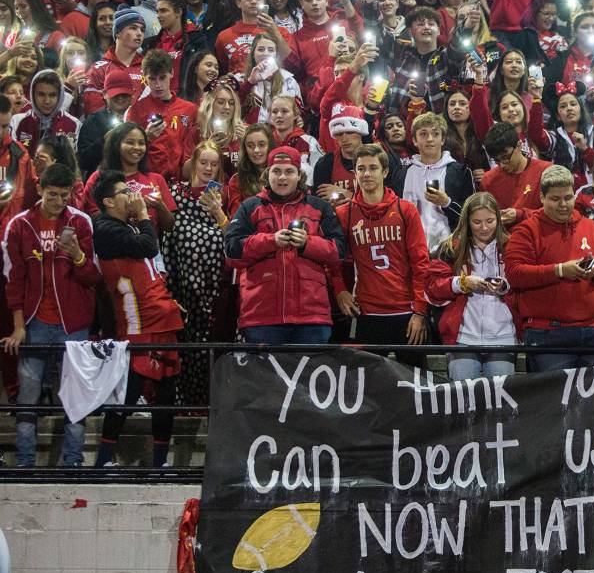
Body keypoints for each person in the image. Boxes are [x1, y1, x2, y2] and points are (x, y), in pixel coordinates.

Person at [2, 163, 100, 468]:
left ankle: (73, 462)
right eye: (53, 195)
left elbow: (93, 277)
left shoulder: (80, 222)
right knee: (28, 396)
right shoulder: (19, 225)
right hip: (35, 324)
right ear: (41, 191)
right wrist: (19, 327)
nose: (59, 201)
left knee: (75, 397)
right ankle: (25, 463)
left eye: (64, 195)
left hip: (73, 325)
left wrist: (77, 255)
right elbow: (14, 280)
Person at [91, 170, 183, 467]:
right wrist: (144, 213)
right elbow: (149, 247)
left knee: (166, 393)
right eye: (124, 192)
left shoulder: (126, 227)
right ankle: (104, 460)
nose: (132, 196)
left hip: (161, 317)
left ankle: (159, 462)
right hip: (138, 323)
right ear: (107, 201)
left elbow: (148, 265)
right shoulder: (105, 227)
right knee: (128, 392)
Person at [224, 146, 346, 344]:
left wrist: (307, 243)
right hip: (261, 317)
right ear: (267, 174)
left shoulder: (319, 207)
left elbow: (339, 253)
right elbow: (232, 252)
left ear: (299, 175)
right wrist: (271, 240)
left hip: (312, 318)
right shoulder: (250, 206)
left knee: (307, 375)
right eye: (276, 171)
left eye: (289, 172)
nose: (282, 178)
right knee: (264, 376)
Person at [505, 165, 594, 371]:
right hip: (548, 333)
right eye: (555, 199)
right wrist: (558, 270)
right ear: (542, 197)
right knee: (554, 403)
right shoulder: (526, 230)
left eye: (568, 198)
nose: (563, 205)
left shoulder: (590, 226)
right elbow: (514, 274)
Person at [333, 143, 431, 353]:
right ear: (355, 173)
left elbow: (421, 263)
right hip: (367, 311)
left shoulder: (406, 210)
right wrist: (340, 289)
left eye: (373, 168)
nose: (366, 174)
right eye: (361, 169)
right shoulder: (344, 213)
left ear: (385, 171)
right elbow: (333, 260)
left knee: (413, 381)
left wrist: (421, 311)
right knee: (372, 382)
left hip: (407, 310)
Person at [162, 141, 228, 405]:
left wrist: (218, 213)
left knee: (209, 346)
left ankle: (206, 403)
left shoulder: (225, 196)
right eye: (204, 162)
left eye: (214, 164)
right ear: (193, 164)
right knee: (184, 345)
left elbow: (232, 238)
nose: (208, 168)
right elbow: (169, 234)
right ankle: (184, 402)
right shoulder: (176, 193)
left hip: (215, 289)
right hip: (181, 286)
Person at [426, 192, 517, 380]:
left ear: (498, 219)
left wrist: (505, 287)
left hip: (503, 337)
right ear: (466, 221)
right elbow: (432, 287)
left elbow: (526, 282)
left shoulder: (513, 246)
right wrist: (462, 283)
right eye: (477, 222)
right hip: (462, 339)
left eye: (490, 221)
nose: (484, 227)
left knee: (499, 401)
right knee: (463, 401)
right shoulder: (449, 248)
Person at [387, 112, 475, 251]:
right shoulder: (402, 174)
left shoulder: (460, 171)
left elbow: (472, 217)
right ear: (415, 140)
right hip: (410, 250)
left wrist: (447, 203)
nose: (430, 139)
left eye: (435, 134)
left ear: (443, 139)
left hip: (449, 249)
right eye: (423, 134)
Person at [81, 123, 177, 236]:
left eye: (141, 143)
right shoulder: (99, 177)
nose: (137, 147)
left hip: (149, 249)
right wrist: (130, 210)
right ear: (116, 145)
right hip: (112, 247)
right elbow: (91, 218)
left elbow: (169, 227)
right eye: (130, 142)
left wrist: (160, 206)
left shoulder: (156, 179)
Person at [124, 49, 199, 183]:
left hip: (181, 182)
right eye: (152, 78)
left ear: (172, 73)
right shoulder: (136, 111)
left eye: (162, 77)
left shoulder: (190, 109)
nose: (158, 85)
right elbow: (126, 153)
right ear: (145, 77)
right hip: (147, 181)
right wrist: (145, 138)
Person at [213, 0, 293, 76]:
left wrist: (274, 32)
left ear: (264, 1)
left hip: (273, 87)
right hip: (238, 88)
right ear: (238, 2)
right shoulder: (224, 36)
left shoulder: (281, 31)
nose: (254, 1)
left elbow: (291, 63)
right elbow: (223, 69)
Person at [480, 122, 547, 227]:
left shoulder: (545, 171)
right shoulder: (488, 180)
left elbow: (555, 212)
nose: (502, 165)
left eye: (506, 157)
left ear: (519, 145)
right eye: (496, 160)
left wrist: (520, 215)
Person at [82, 8, 145, 113]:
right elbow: (93, 107)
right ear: (117, 33)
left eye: (142, 30)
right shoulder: (98, 69)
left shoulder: (148, 68)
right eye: (133, 28)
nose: (139, 33)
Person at [9, 69, 81, 155]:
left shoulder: (73, 124)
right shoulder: (17, 121)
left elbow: (72, 162)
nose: (47, 101)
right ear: (32, 95)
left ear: (60, 96)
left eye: (52, 95)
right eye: (41, 94)